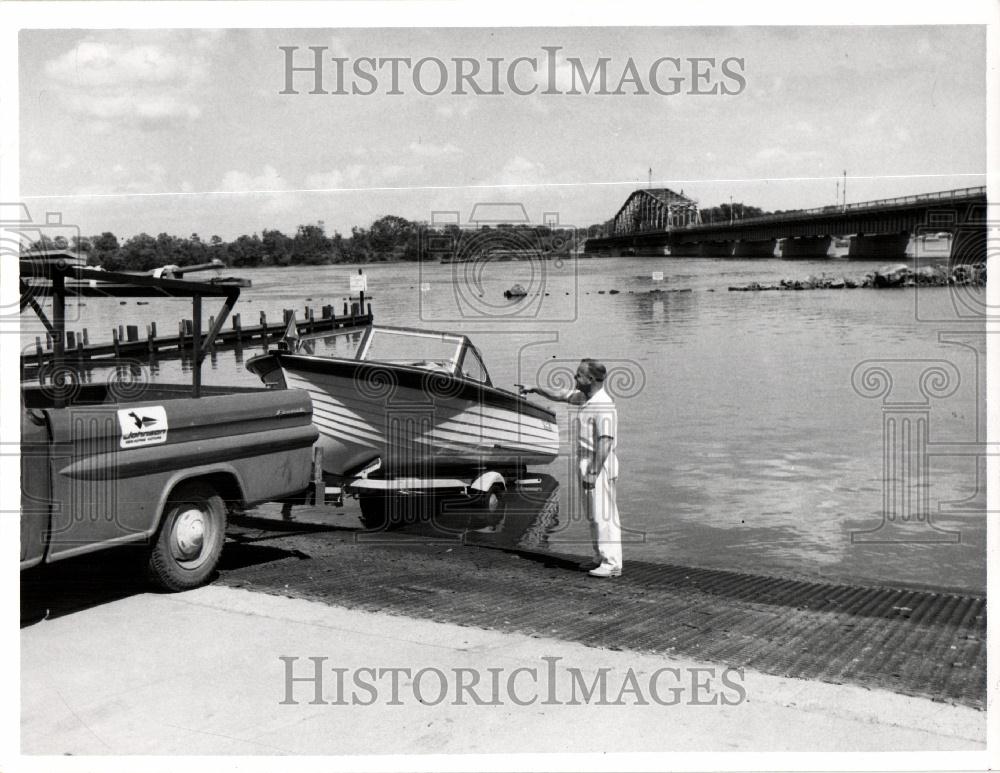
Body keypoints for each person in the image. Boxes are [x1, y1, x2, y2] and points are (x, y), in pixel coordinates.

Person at [521, 359, 622, 578]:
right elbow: (561, 394)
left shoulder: (603, 404)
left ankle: (611, 563)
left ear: (591, 379)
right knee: (593, 513)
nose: (574, 378)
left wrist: (593, 472)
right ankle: (599, 558)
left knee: (603, 513)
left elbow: (605, 441)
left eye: (578, 375)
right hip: (587, 460)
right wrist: (535, 389)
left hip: (599, 462)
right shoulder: (586, 398)